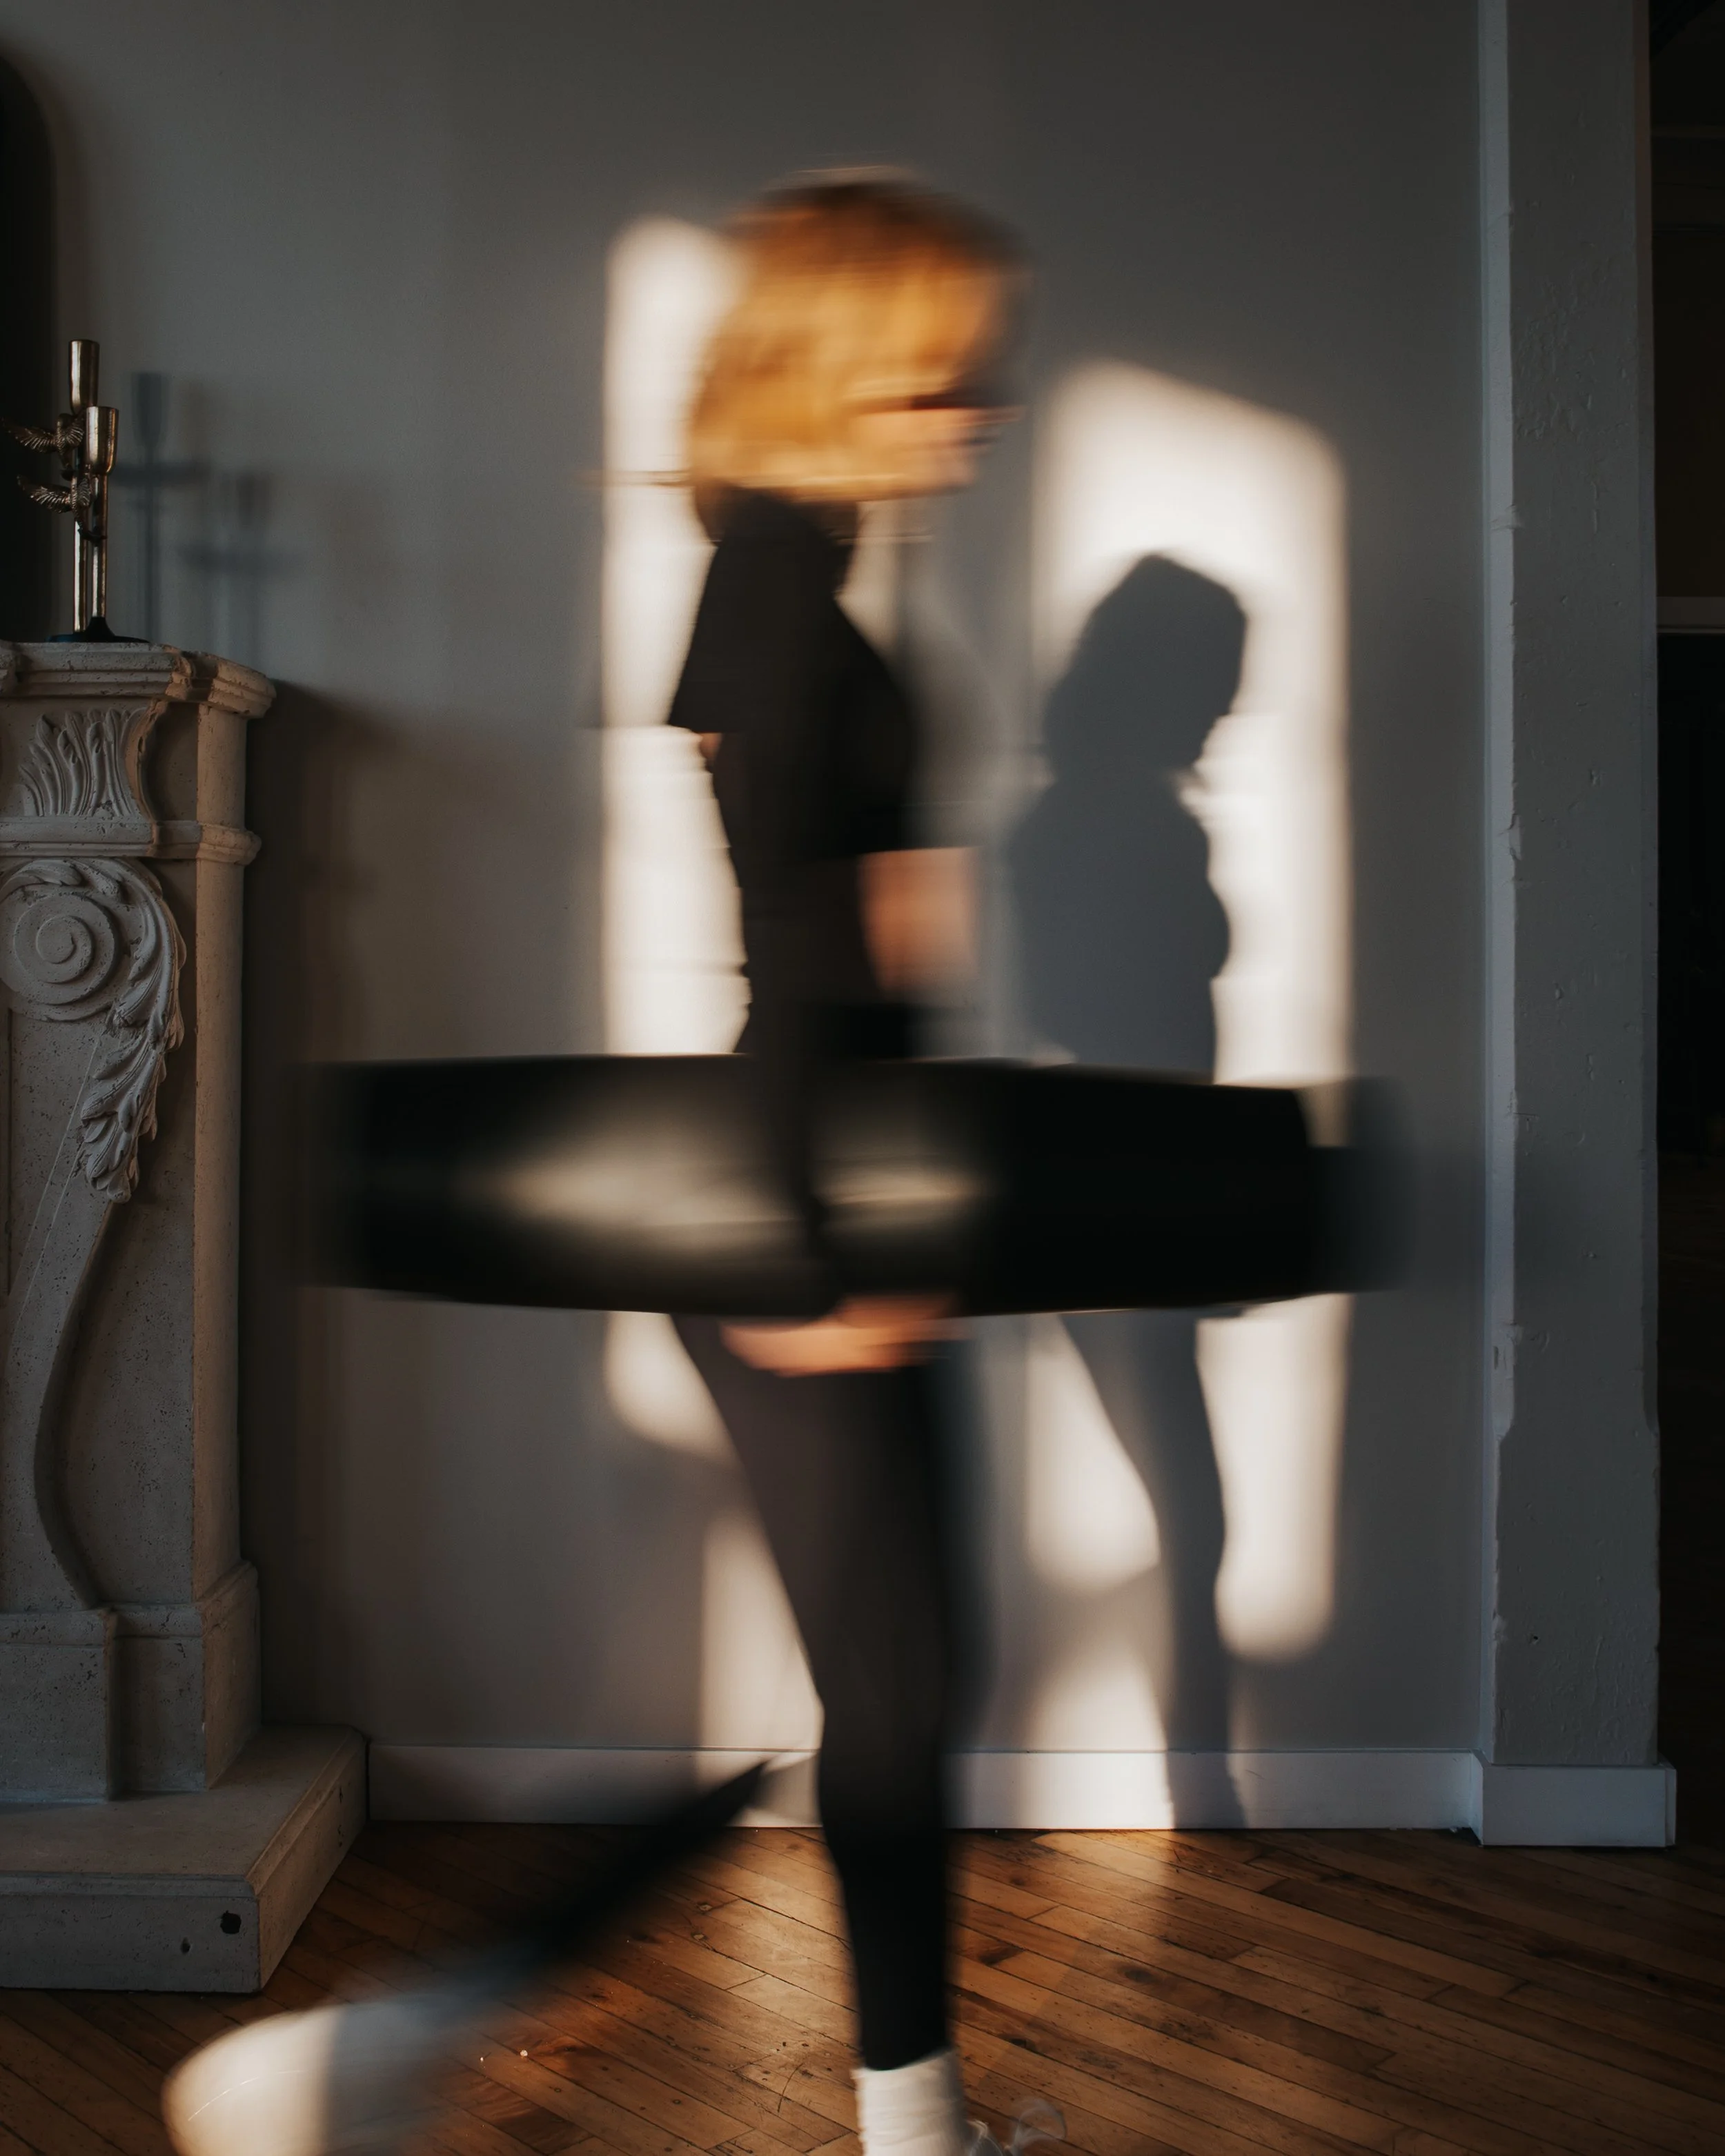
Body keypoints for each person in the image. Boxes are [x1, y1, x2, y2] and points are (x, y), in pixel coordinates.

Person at [664, 177, 1048, 2156]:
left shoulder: (779, 563)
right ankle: (913, 2128)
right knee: (894, 1688)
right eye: (949, 360)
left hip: (829, 1183)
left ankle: (918, 2111)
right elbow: (816, 970)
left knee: (904, 1677)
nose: (980, 398)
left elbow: (834, 949)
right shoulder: (784, 596)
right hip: (802, 1205)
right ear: (855, 350)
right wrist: (826, 1261)